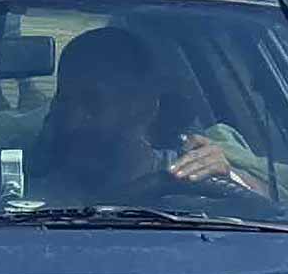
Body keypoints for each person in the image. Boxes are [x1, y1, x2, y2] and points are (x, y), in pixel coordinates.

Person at [30, 27, 251, 203]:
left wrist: (232, 179)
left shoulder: (195, 178)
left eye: (93, 103)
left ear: (144, 109)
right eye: (64, 101)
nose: (73, 120)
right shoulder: (25, 193)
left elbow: (279, 210)